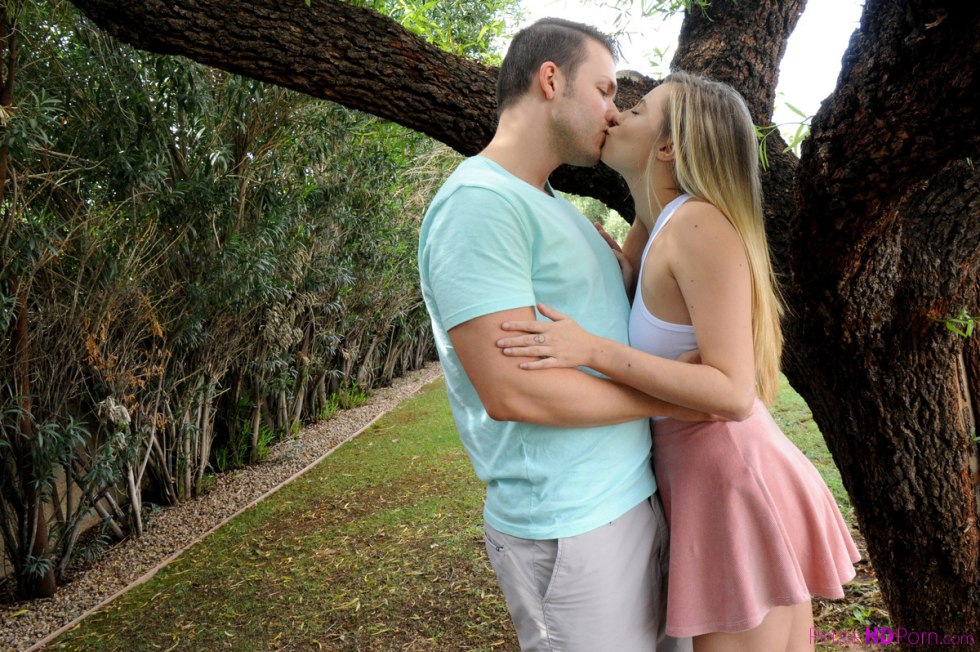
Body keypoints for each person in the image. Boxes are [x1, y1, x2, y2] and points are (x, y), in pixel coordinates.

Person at [496, 72, 861, 652]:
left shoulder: (697, 223)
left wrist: (592, 350)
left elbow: (733, 392)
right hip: (702, 477)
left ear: (668, 145)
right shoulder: (654, 225)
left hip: (730, 480)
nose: (616, 115)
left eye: (637, 110)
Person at [418, 18, 699, 652]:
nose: (613, 111)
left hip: (634, 497)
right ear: (551, 80)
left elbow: (605, 311)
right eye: (603, 90)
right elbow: (514, 392)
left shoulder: (547, 202)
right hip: (570, 527)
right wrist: (677, 396)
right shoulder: (479, 205)